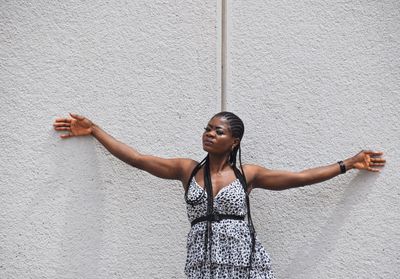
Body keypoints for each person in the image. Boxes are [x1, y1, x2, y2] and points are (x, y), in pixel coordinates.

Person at [53, 111, 386, 279]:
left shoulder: (248, 174)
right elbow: (138, 160)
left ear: (234, 141)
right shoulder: (187, 170)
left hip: (245, 262)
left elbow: (299, 178)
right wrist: (95, 131)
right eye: (207, 128)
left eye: (219, 131)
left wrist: (349, 163)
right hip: (202, 260)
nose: (210, 134)